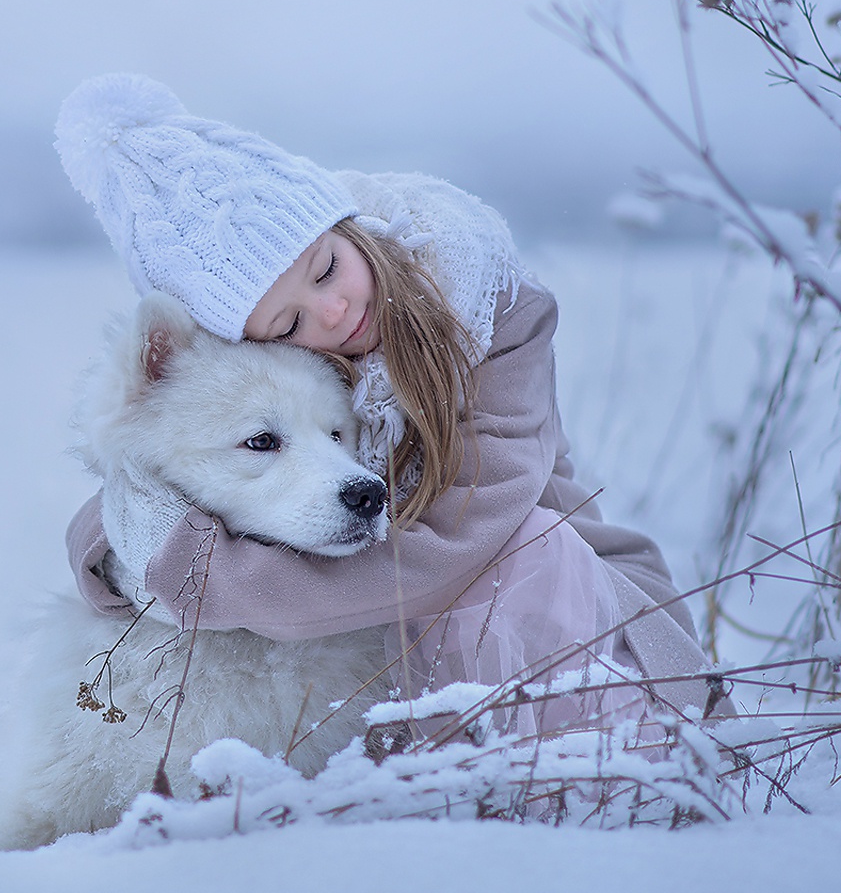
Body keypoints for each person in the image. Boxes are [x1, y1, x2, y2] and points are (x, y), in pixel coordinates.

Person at [54, 74, 723, 733]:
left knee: (520, 554)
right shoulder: (300, 376)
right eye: (288, 325)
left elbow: (462, 543)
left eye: (325, 268)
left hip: (577, 625)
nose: (335, 308)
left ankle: (590, 786)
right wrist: (117, 551)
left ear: (344, 226)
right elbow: (158, 468)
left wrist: (197, 579)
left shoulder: (490, 315)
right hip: (409, 655)